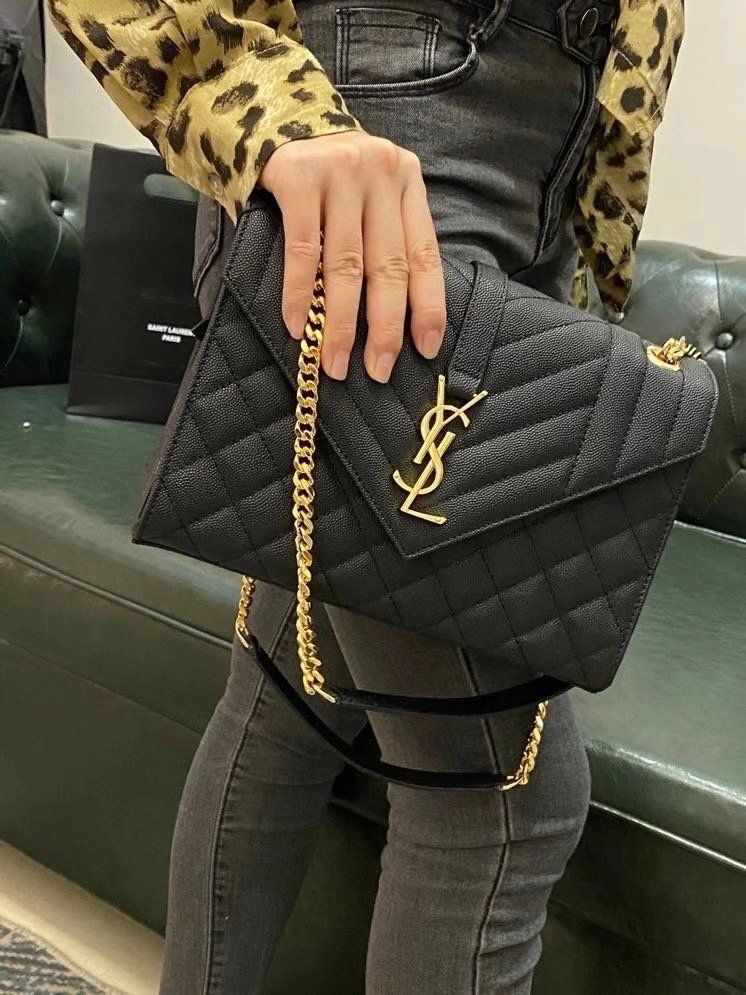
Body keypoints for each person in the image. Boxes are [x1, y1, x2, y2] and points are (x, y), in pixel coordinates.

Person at [50, 1, 684, 991]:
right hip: (365, 136)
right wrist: (249, 95)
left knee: (286, 700)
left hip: (541, 169)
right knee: (501, 801)